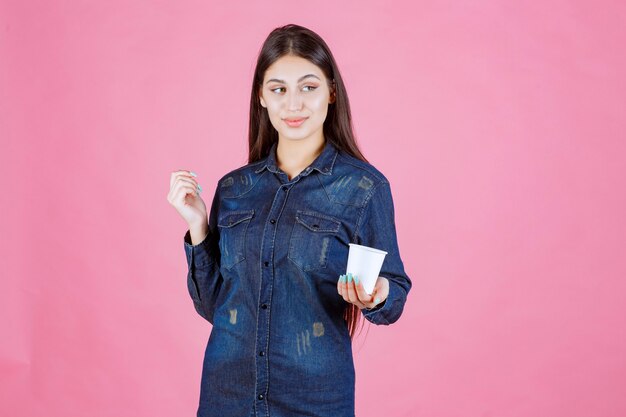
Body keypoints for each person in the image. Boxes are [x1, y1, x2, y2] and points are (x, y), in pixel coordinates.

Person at [167, 23, 411, 417]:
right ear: (261, 97)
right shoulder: (234, 188)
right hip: (227, 394)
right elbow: (214, 304)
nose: (293, 103)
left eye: (308, 87)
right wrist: (198, 226)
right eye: (279, 89)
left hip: (314, 398)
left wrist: (377, 293)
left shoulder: (364, 188)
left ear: (331, 92)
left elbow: (394, 292)